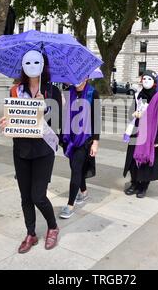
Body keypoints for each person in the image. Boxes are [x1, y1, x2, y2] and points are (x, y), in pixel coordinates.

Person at [0, 50, 61, 254]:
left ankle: (52, 227)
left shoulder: (53, 92)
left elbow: (58, 124)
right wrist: (6, 121)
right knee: (25, 196)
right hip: (21, 149)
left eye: (37, 61)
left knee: (38, 196)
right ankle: (31, 233)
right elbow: (13, 116)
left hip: (43, 150)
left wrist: (45, 109)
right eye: (29, 62)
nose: (33, 65)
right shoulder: (16, 91)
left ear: (44, 65)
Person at [60, 77, 100, 219]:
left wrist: (95, 141)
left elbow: (96, 119)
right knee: (75, 167)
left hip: (85, 139)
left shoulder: (92, 93)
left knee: (76, 169)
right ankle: (83, 191)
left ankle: (70, 205)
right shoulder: (67, 92)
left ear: (87, 77)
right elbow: (61, 114)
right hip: (69, 137)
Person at [123, 70, 158, 198]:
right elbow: (132, 111)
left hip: (151, 134)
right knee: (133, 159)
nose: (146, 81)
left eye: (149, 79)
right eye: (144, 79)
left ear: (154, 82)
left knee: (145, 160)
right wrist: (135, 114)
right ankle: (134, 183)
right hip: (136, 131)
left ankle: (143, 186)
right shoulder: (138, 95)